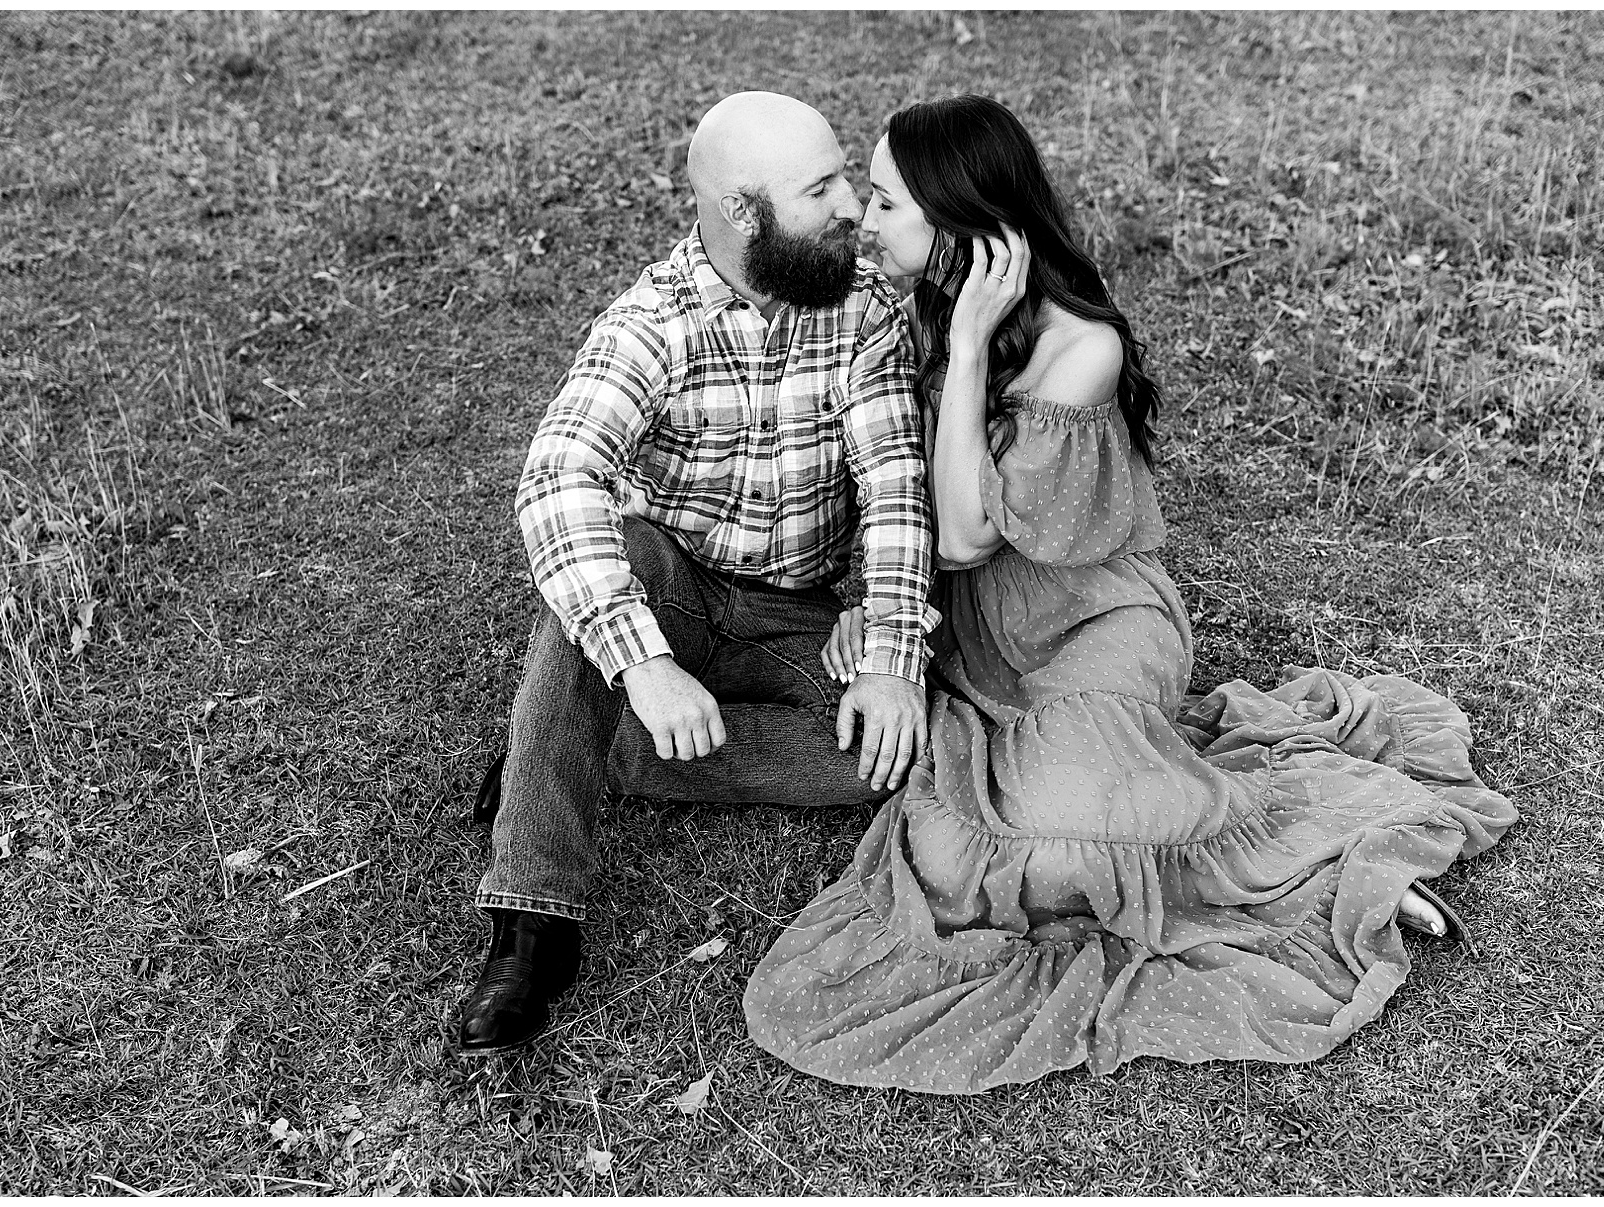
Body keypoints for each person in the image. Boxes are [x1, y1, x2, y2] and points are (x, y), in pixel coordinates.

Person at [743, 95, 1520, 1094]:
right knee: (957, 828)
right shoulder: (907, 297)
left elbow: (975, 533)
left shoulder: (1080, 348)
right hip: (982, 644)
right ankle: (1244, 850)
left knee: (1060, 815)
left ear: (961, 218)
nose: (864, 220)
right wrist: (875, 596)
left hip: (1095, 623)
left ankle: (1338, 864)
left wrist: (972, 350)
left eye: (887, 203)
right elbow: (886, 477)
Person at [456, 91, 935, 1053]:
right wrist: (643, 661)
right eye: (820, 189)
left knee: (897, 755)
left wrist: (886, 653)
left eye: (844, 175)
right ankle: (533, 921)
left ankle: (580, 746)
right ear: (744, 216)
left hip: (801, 611)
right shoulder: (650, 324)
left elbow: (893, 482)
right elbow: (557, 475)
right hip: (677, 584)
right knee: (606, 569)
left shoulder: (862, 308)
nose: (850, 205)